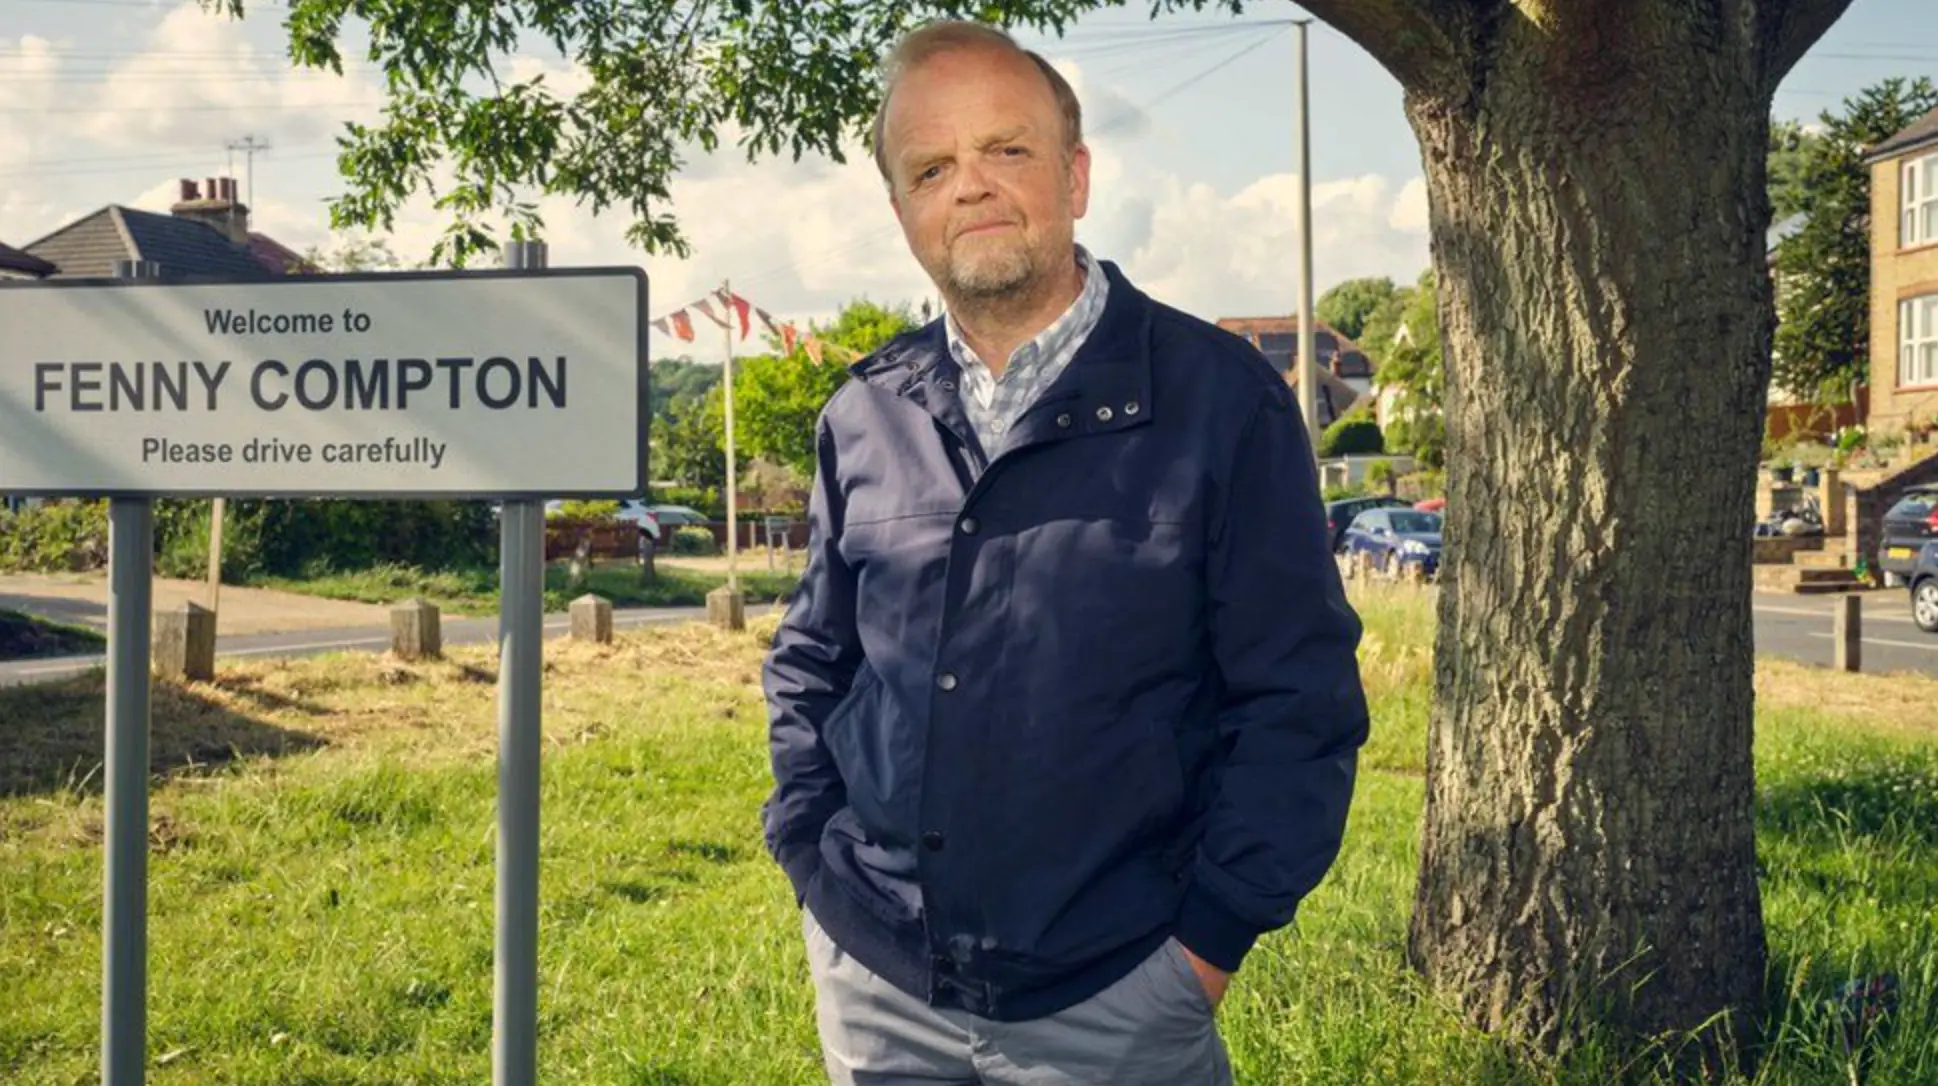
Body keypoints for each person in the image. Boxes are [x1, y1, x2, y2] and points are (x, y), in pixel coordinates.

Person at [761, 19, 1370, 1085]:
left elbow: (1299, 701)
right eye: (932, 166)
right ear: (902, 209)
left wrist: (1207, 947)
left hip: (1121, 995)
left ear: (1075, 175)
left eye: (1008, 149)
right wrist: (811, 859)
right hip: (880, 985)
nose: (973, 186)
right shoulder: (861, 413)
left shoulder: (1222, 402)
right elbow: (813, 662)